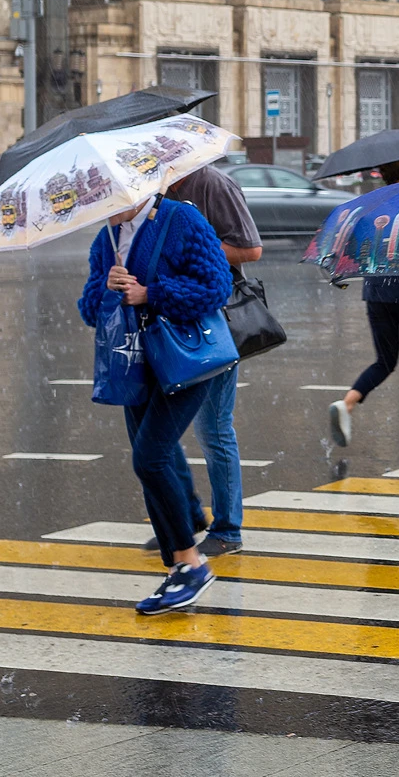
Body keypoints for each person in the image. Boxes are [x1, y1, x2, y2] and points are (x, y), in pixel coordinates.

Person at [78, 194, 233, 613]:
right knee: (150, 461)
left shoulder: (181, 218)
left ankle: (191, 563)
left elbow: (217, 286)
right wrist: (108, 291)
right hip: (136, 363)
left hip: (186, 359)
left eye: (113, 195)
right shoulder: (106, 239)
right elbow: (90, 309)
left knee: (150, 458)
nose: (107, 206)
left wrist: (151, 293)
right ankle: (176, 567)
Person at [158, 164, 264, 557]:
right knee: (160, 431)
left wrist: (194, 242)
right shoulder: (153, 187)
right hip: (168, 320)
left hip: (212, 323)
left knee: (213, 428)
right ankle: (185, 517)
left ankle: (228, 529)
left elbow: (250, 249)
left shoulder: (213, 184)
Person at [329, 158, 399, 447]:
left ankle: (348, 403)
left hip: (377, 292)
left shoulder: (369, 206)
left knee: (385, 360)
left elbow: (359, 248)